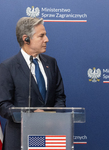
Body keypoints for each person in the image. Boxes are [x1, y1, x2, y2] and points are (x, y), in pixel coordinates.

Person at [0, 17, 66, 150]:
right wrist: (29, 116)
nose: (46, 39)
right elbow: (3, 105)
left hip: (49, 136)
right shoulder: (8, 67)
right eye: (41, 36)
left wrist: (51, 117)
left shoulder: (51, 63)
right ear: (26, 39)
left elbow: (60, 97)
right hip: (19, 138)